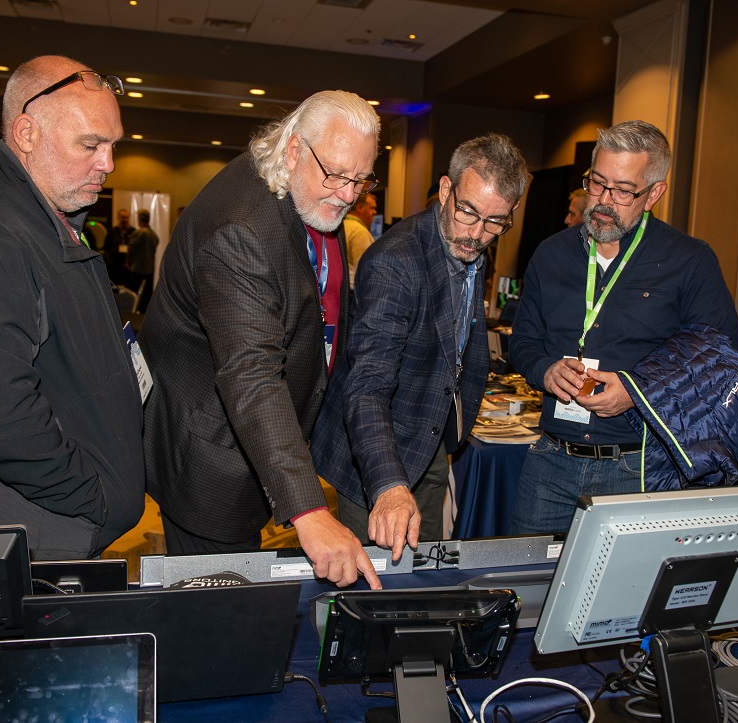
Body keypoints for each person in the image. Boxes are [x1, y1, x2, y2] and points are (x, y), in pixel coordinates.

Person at [140, 90, 382, 589]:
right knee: (219, 613)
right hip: (208, 458)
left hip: (249, 443)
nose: (345, 193)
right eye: (335, 174)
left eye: (360, 179)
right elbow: (252, 376)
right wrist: (310, 510)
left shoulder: (298, 189)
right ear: (294, 149)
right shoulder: (241, 231)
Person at [0, 55, 145, 560]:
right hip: (30, 531)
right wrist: (93, 500)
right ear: (26, 133)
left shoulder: (50, 216)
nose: (107, 163)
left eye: (112, 146)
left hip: (59, 525)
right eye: (90, 145)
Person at [508, 120, 738, 534]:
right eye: (597, 183)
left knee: (625, 595)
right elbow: (523, 341)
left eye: (623, 190)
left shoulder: (689, 261)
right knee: (529, 588)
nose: (603, 200)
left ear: (654, 194)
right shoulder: (551, 254)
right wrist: (545, 369)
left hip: (638, 468)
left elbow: (719, 360)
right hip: (550, 462)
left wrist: (636, 393)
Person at [311, 134, 530, 557]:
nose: (477, 233)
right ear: (446, 190)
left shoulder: (470, 245)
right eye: (467, 212)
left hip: (428, 435)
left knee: (423, 568)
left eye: (495, 221)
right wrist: (390, 486)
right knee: (376, 590)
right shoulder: (396, 262)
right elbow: (367, 386)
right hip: (372, 452)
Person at [126, 208, 158, 312]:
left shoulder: (138, 233)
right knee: (147, 295)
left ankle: (135, 313)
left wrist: (127, 261)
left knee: (136, 296)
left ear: (140, 219)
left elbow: (131, 249)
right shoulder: (154, 235)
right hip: (149, 269)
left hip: (138, 269)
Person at [342, 192, 377, 283]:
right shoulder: (359, 232)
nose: (375, 212)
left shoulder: (341, 226)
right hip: (354, 289)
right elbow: (367, 269)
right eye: (372, 208)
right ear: (359, 208)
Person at [105, 208, 134, 285]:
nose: (125, 220)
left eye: (126, 217)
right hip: (115, 265)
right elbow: (107, 247)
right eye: (122, 217)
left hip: (128, 266)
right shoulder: (112, 231)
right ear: (118, 218)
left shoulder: (133, 232)